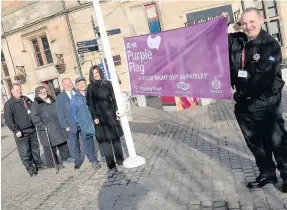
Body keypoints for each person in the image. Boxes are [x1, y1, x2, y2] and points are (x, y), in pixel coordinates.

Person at [222, 8, 287, 191]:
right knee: (256, 142)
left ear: (261, 20)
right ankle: (267, 174)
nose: (248, 26)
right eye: (244, 23)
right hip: (245, 105)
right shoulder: (239, 40)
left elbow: (262, 77)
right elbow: (218, 42)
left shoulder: (270, 45)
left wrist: (239, 94)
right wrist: (222, 25)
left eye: (252, 22)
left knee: (278, 141)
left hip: (266, 101)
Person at [86, 65, 124, 176]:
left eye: (97, 72)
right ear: (91, 75)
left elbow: (114, 98)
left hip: (111, 114)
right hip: (100, 117)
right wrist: (94, 117)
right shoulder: (90, 87)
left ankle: (120, 160)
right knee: (106, 142)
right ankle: (111, 164)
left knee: (116, 139)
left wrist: (117, 111)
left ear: (100, 72)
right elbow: (90, 104)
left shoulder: (108, 83)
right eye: (94, 73)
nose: (96, 74)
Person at [4, 83, 46, 177]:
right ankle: (31, 169)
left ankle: (38, 164)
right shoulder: (9, 104)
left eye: (20, 89)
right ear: (12, 91)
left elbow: (34, 110)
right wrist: (15, 130)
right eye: (17, 90)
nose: (19, 91)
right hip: (21, 132)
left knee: (35, 148)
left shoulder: (26, 99)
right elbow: (8, 120)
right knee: (25, 152)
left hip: (32, 129)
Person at [31, 86, 71, 171]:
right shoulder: (35, 104)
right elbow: (35, 117)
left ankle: (66, 158)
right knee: (50, 147)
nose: (44, 93)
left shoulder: (52, 100)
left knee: (62, 143)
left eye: (45, 91)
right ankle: (54, 163)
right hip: (47, 128)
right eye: (41, 92)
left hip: (57, 125)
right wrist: (42, 126)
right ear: (37, 94)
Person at [69, 77, 101, 170]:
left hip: (95, 121)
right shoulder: (74, 99)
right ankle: (93, 160)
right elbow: (73, 115)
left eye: (83, 83)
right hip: (85, 124)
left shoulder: (90, 94)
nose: (82, 85)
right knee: (88, 143)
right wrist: (80, 123)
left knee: (100, 139)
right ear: (77, 86)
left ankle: (103, 156)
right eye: (80, 84)